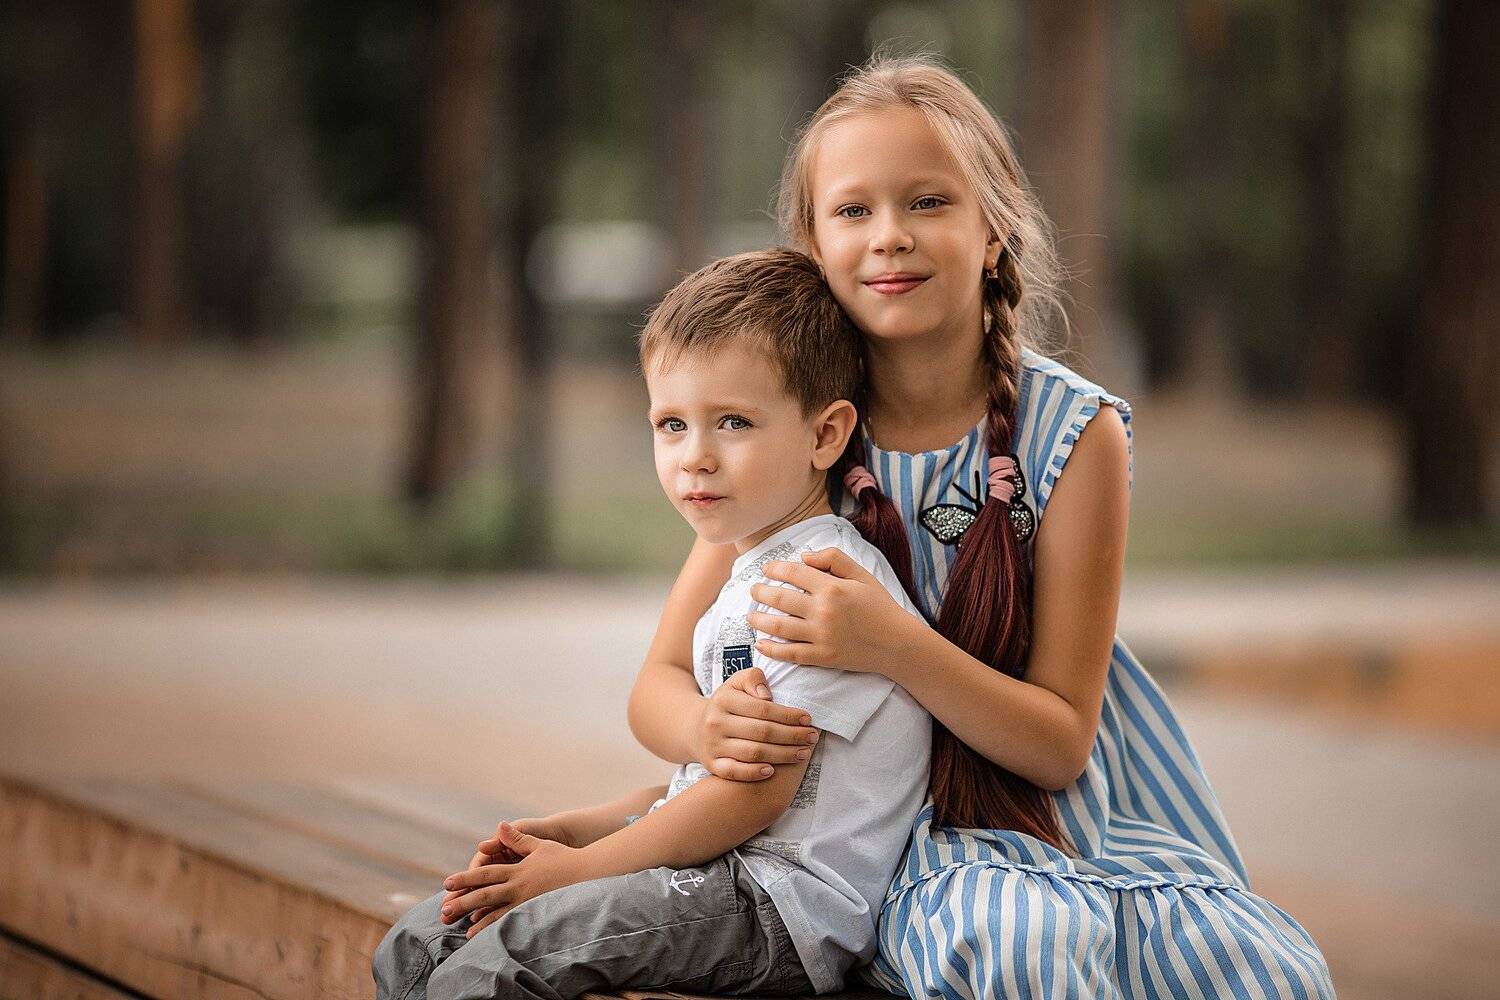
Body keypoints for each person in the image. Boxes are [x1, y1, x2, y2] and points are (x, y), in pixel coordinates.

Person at [626, 55, 1336, 999]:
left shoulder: (1072, 433)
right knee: (1013, 943)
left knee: (1254, 973)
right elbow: (660, 680)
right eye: (852, 211)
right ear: (812, 245)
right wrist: (709, 728)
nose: (890, 238)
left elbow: (1059, 744)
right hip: (885, 834)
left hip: (1065, 816)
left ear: (994, 231)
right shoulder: (793, 430)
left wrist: (892, 644)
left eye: (928, 203)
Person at [372, 249, 933, 1000]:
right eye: (672, 424)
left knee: (496, 962)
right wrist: (584, 828)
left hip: (777, 907)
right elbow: (704, 779)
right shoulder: (746, 567)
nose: (694, 458)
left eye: (733, 422)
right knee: (418, 942)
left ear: (825, 436)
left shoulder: (823, 587)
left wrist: (576, 873)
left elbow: (754, 798)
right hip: (713, 872)